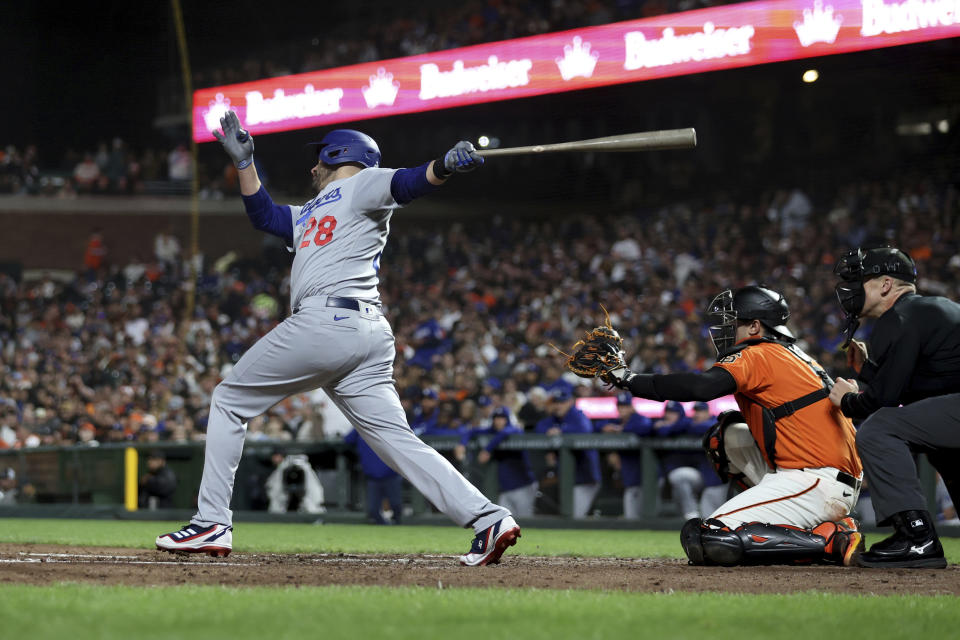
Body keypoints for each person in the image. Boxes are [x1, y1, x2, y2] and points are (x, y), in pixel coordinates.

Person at [156, 111, 519, 566]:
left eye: (318, 158)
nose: (312, 167)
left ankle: (211, 521)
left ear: (336, 154)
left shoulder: (363, 183)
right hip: (363, 333)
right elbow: (265, 216)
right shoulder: (313, 209)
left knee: (229, 400)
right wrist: (245, 165)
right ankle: (487, 518)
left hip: (329, 321)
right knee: (395, 439)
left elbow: (407, 184)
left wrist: (442, 167)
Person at [573, 286, 864, 566]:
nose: (726, 331)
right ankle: (795, 517)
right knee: (726, 435)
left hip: (814, 479)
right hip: (820, 474)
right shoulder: (794, 355)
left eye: (733, 323)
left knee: (710, 538)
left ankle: (830, 540)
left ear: (754, 327)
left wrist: (628, 378)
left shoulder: (760, 352)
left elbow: (703, 387)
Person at [829, 247, 960, 568]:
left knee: (879, 429)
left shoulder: (899, 316)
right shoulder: (929, 310)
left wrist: (846, 400)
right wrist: (870, 371)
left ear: (885, 285)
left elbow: (882, 402)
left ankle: (917, 538)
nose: (853, 290)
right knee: (942, 448)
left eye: (861, 281)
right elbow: (923, 389)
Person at [460, 407, 538, 517]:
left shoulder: (514, 430)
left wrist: (487, 449)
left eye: (502, 418)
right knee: (504, 522)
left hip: (523, 485)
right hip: (505, 489)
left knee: (526, 522)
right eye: (496, 418)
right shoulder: (493, 432)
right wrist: (462, 444)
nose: (499, 421)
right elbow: (472, 431)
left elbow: (507, 431)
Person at [535, 388, 600, 518]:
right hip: (569, 479)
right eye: (556, 402)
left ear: (570, 402)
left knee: (574, 516)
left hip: (585, 478)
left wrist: (561, 431)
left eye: (562, 402)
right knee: (571, 515)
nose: (559, 406)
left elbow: (584, 428)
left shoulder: (577, 415)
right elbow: (539, 427)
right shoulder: (555, 418)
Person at [598, 392, 651, 519]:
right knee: (632, 516)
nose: (623, 409)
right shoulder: (617, 421)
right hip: (632, 476)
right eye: (620, 406)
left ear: (632, 407)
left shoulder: (638, 419)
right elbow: (598, 426)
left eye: (626, 406)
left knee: (647, 515)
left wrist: (619, 430)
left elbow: (645, 426)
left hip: (648, 477)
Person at [345, 428, 404, 524]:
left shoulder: (387, 425)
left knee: (396, 506)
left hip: (391, 474)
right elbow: (348, 440)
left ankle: (397, 527)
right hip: (373, 478)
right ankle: (385, 528)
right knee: (373, 510)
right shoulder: (360, 427)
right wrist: (358, 426)